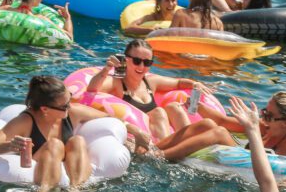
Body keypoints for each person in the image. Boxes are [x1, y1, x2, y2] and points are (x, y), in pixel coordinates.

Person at [0, 76, 149, 192]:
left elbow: (109, 117)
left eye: (69, 100)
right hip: (42, 166)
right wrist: (10, 146)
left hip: (70, 167)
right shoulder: (25, 121)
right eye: (65, 105)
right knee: (55, 144)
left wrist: (137, 132)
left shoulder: (72, 113)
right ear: (45, 109)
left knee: (77, 140)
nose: (70, 106)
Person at [87, 38, 237, 155]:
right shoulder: (116, 83)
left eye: (147, 62)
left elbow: (178, 83)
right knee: (164, 113)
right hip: (146, 142)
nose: (141, 67)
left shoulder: (151, 82)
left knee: (177, 108)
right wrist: (106, 69)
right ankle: (170, 151)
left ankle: (191, 147)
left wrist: (194, 84)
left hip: (166, 139)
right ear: (126, 59)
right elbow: (92, 89)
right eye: (137, 61)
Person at [200, 89, 286, 178]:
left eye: (268, 115)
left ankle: (178, 157)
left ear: (285, 122)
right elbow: (222, 121)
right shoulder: (264, 126)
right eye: (264, 112)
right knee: (207, 124)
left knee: (219, 133)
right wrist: (199, 106)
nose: (263, 118)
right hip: (237, 154)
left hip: (253, 176)